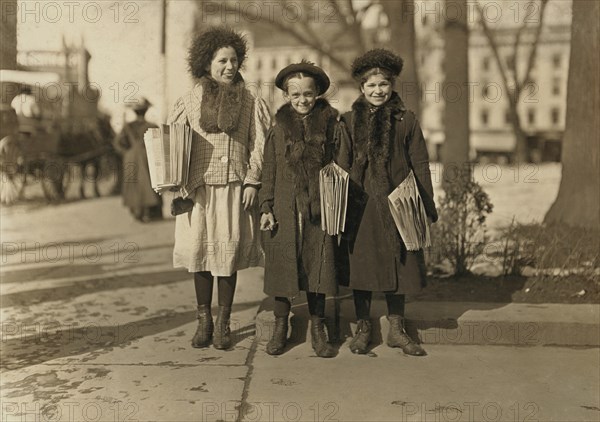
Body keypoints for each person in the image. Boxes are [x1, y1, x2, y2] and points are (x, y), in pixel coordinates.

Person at [166, 26, 271, 350]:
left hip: (234, 190)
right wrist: (173, 179)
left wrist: (253, 180)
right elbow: (173, 146)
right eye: (222, 60)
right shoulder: (188, 101)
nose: (229, 67)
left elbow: (259, 145)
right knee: (200, 256)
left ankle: (224, 322)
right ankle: (204, 321)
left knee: (226, 256)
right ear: (206, 64)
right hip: (197, 190)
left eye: (234, 60)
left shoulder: (251, 102)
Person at [337, 49, 438, 356]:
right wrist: (338, 205)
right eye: (371, 85)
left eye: (383, 84)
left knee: (400, 264)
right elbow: (340, 165)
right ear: (361, 89)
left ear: (392, 85)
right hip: (362, 204)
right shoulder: (349, 121)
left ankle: (396, 328)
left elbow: (419, 162)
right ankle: (364, 328)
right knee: (362, 265)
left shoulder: (405, 121)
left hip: (399, 202)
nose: (377, 91)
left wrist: (426, 204)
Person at [259, 61, 339, 358]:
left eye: (308, 94)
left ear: (317, 93)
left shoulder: (332, 126)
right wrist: (266, 205)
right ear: (285, 97)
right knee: (283, 265)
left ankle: (318, 327)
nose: (302, 100)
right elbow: (269, 170)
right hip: (285, 207)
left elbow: (340, 166)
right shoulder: (278, 131)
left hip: (319, 208)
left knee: (317, 265)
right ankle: (282, 325)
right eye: (295, 95)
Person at [114, 97, 163, 222]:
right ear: (146, 111)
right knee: (149, 182)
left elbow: (118, 142)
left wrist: (126, 152)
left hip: (131, 157)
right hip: (147, 156)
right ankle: (150, 211)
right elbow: (160, 143)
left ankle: (137, 211)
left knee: (134, 183)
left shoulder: (128, 127)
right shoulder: (152, 126)